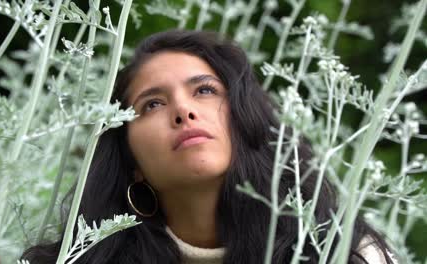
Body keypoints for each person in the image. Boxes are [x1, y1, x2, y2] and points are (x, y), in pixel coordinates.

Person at [23, 30, 396, 264]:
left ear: (244, 117)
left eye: (204, 90)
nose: (183, 110)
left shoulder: (345, 254)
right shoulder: (73, 261)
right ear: (130, 157)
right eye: (152, 104)